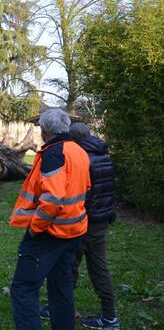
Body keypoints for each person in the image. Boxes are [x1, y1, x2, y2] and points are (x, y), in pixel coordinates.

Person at [9, 108, 91, 330]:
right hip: (73, 231)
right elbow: (84, 189)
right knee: (61, 289)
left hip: (48, 234)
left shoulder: (54, 153)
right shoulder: (78, 151)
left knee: (23, 287)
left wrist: (36, 228)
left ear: (44, 130)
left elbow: (52, 200)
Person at [70, 123, 119, 329]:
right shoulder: (103, 154)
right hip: (101, 220)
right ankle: (110, 317)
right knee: (100, 269)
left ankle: (62, 308)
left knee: (68, 267)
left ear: (74, 140)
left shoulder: (83, 159)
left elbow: (82, 193)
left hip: (85, 222)